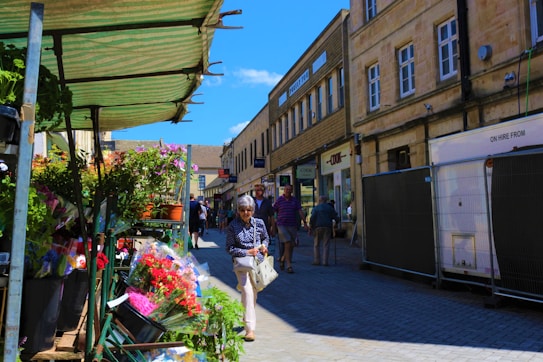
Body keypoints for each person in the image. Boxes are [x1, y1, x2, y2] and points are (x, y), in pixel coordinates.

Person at [225, 195, 269, 342]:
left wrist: (264, 247)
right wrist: (246, 252)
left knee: (253, 294)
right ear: (238, 210)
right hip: (241, 264)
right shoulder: (233, 226)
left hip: (257, 264)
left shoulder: (260, 223)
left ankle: (246, 318)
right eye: (243, 210)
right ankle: (250, 329)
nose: (246, 213)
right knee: (247, 292)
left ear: (253, 210)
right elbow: (229, 248)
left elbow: (266, 238)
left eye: (249, 210)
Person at [273, 184, 307, 273]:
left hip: (292, 225)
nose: (288, 191)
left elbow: (300, 211)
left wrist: (305, 222)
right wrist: (273, 222)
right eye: (286, 189)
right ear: (284, 190)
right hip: (281, 224)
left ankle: (282, 258)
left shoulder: (295, 200)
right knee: (287, 242)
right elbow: (273, 210)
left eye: (290, 189)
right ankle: (289, 265)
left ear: (291, 191)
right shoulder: (279, 200)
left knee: (291, 245)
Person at [309, 195, 339, 266]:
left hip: (317, 227)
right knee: (326, 244)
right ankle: (325, 261)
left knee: (316, 244)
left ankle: (317, 260)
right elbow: (336, 217)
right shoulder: (329, 208)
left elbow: (312, 218)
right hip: (327, 227)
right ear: (326, 201)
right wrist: (336, 223)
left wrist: (311, 226)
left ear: (319, 200)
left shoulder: (316, 208)